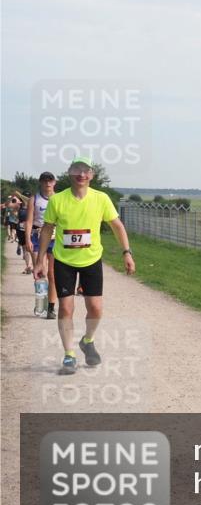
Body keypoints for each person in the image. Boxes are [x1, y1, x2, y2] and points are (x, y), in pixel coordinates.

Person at [33, 156, 136, 375]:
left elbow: (117, 225)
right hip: (64, 261)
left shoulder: (101, 199)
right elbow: (46, 229)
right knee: (67, 308)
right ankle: (69, 355)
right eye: (76, 170)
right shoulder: (57, 200)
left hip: (91, 260)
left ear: (91, 175)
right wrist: (40, 258)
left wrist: (127, 252)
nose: (81, 174)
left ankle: (87, 340)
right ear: (69, 173)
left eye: (85, 170)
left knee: (96, 309)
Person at [25, 172, 58, 318]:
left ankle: (51, 307)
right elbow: (29, 221)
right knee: (40, 271)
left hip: (55, 237)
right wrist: (28, 239)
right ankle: (40, 303)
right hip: (37, 235)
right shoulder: (34, 199)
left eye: (50, 181)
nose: (48, 184)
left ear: (54, 182)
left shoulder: (59, 198)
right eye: (45, 181)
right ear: (40, 182)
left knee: (51, 273)